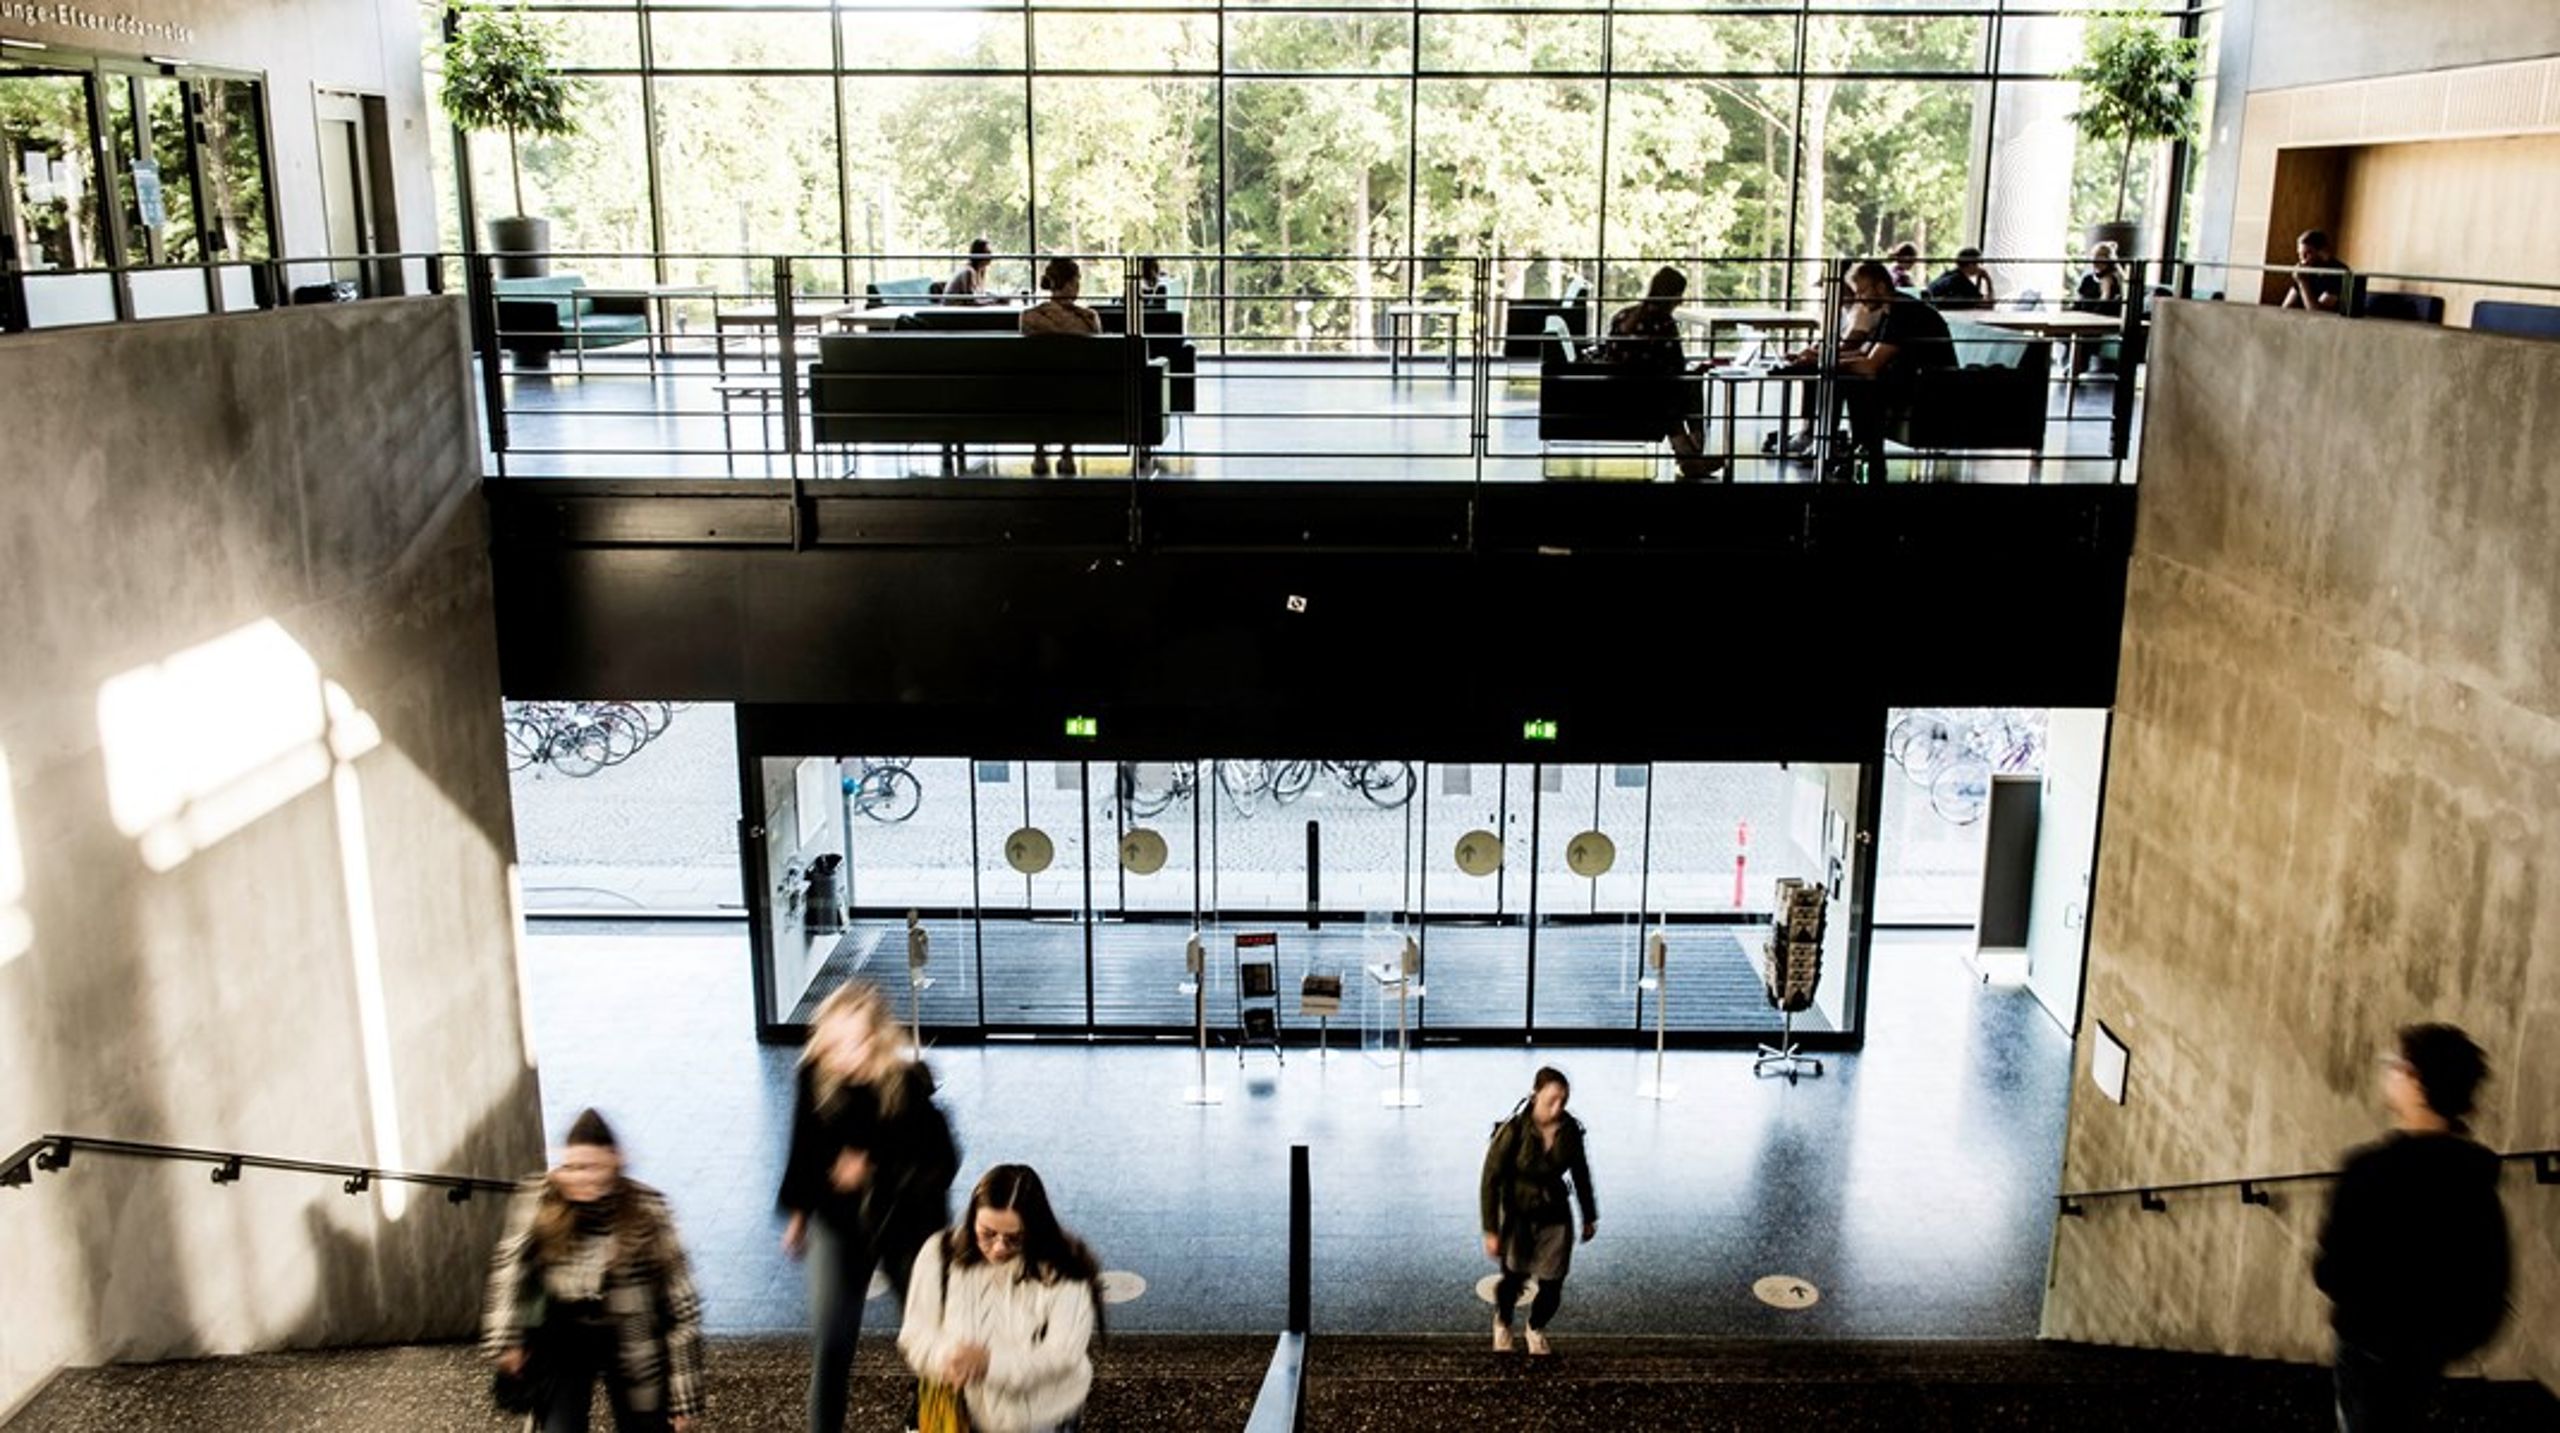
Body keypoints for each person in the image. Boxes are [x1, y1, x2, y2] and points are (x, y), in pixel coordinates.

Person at [781, 982, 963, 1433]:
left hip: (907, 1227)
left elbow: (941, 1164)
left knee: (926, 1335)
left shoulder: (905, 1086)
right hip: (839, 1223)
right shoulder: (814, 1078)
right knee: (832, 1341)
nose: (846, 1053)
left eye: (858, 1040)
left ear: (879, 1035)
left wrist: (873, 1173)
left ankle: (930, 1422)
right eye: (836, 1041)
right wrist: (800, 1214)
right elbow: (803, 1149)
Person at [2315, 1023, 2511, 1433]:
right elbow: (2491, 1278)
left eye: (2395, 1064)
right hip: (2427, 1357)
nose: (2387, 1072)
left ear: (2415, 1080)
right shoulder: (2473, 1178)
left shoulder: (2369, 1169)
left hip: (2367, 1349)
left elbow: (2331, 1269)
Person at [483, 1109, 705, 1433]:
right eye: (572, 1167)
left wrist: (684, 1398)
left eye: (593, 1167)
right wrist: (506, 1340)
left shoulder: (647, 1208)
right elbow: (509, 1268)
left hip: (632, 1335)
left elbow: (683, 1305)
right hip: (564, 1336)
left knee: (644, 1423)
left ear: (615, 1161)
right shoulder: (540, 1198)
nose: (582, 1177)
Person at [900, 1164, 1102, 1433]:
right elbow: (915, 1332)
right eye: (987, 1234)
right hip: (963, 1414)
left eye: (1013, 1238)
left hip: (1041, 1418)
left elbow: (1063, 1355)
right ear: (972, 1218)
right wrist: (947, 1356)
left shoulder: (1065, 1270)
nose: (998, 1248)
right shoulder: (941, 1253)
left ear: (1035, 1228)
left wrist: (988, 1363)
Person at [1479, 1066, 1598, 1356]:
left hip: (1555, 1214)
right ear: (1535, 1096)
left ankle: (1535, 1326)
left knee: (1553, 1282)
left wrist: (1589, 1213)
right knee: (1514, 1278)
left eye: (1563, 1101)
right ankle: (1503, 1321)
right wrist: (1491, 1228)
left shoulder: (1570, 1130)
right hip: (1518, 1214)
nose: (1557, 1108)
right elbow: (1490, 1179)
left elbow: (1580, 1172)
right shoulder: (1514, 1130)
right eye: (1551, 1101)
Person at [1588, 264, 1722, 480]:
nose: (1681, 301)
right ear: (1671, 295)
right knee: (1690, 387)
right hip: (1650, 400)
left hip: (1616, 394)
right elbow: (1676, 366)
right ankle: (1693, 454)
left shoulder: (1623, 316)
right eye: (1680, 295)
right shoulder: (1664, 324)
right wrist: (1697, 371)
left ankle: (1690, 456)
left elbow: (1611, 355)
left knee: (1664, 392)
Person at [1831, 259, 1954, 483]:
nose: (1859, 298)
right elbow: (1867, 353)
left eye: (1863, 291)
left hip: (1932, 387)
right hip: (1916, 378)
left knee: (1858, 384)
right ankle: (1859, 454)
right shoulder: (1893, 308)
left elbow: (1870, 364)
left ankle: (1863, 456)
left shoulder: (1903, 312)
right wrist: (1826, 359)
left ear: (1880, 287)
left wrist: (1829, 363)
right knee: (1852, 380)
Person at [1020, 256, 1104, 477]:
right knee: (1071, 386)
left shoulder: (1029, 318)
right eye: (1077, 281)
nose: (1078, 287)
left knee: (1040, 386)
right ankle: (1067, 452)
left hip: (1037, 396)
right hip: (1079, 397)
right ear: (1067, 284)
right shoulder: (1088, 320)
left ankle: (1039, 453)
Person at [2282, 228, 2347, 312]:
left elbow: (2316, 314)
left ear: (2322, 252)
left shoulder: (2338, 273)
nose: (2302, 260)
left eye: (2307, 254)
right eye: (2300, 255)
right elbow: (2285, 308)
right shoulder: (2307, 270)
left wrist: (2303, 282)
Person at [1924, 246, 1995, 310]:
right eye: (1979, 263)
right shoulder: (1961, 281)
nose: (1980, 267)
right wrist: (1988, 280)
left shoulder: (1948, 275)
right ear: (1971, 265)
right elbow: (1989, 305)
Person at [2072, 241, 2124, 317]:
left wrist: (2106, 292)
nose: (2095, 260)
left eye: (2099, 256)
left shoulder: (2111, 280)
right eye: (2094, 256)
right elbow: (2078, 301)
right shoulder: (2088, 279)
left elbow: (2104, 306)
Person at [945, 237, 1000, 306]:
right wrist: (994, 301)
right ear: (978, 254)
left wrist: (994, 298)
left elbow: (979, 295)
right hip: (953, 311)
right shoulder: (968, 272)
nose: (990, 256)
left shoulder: (980, 271)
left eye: (990, 253)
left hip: (961, 309)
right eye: (987, 253)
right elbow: (971, 301)